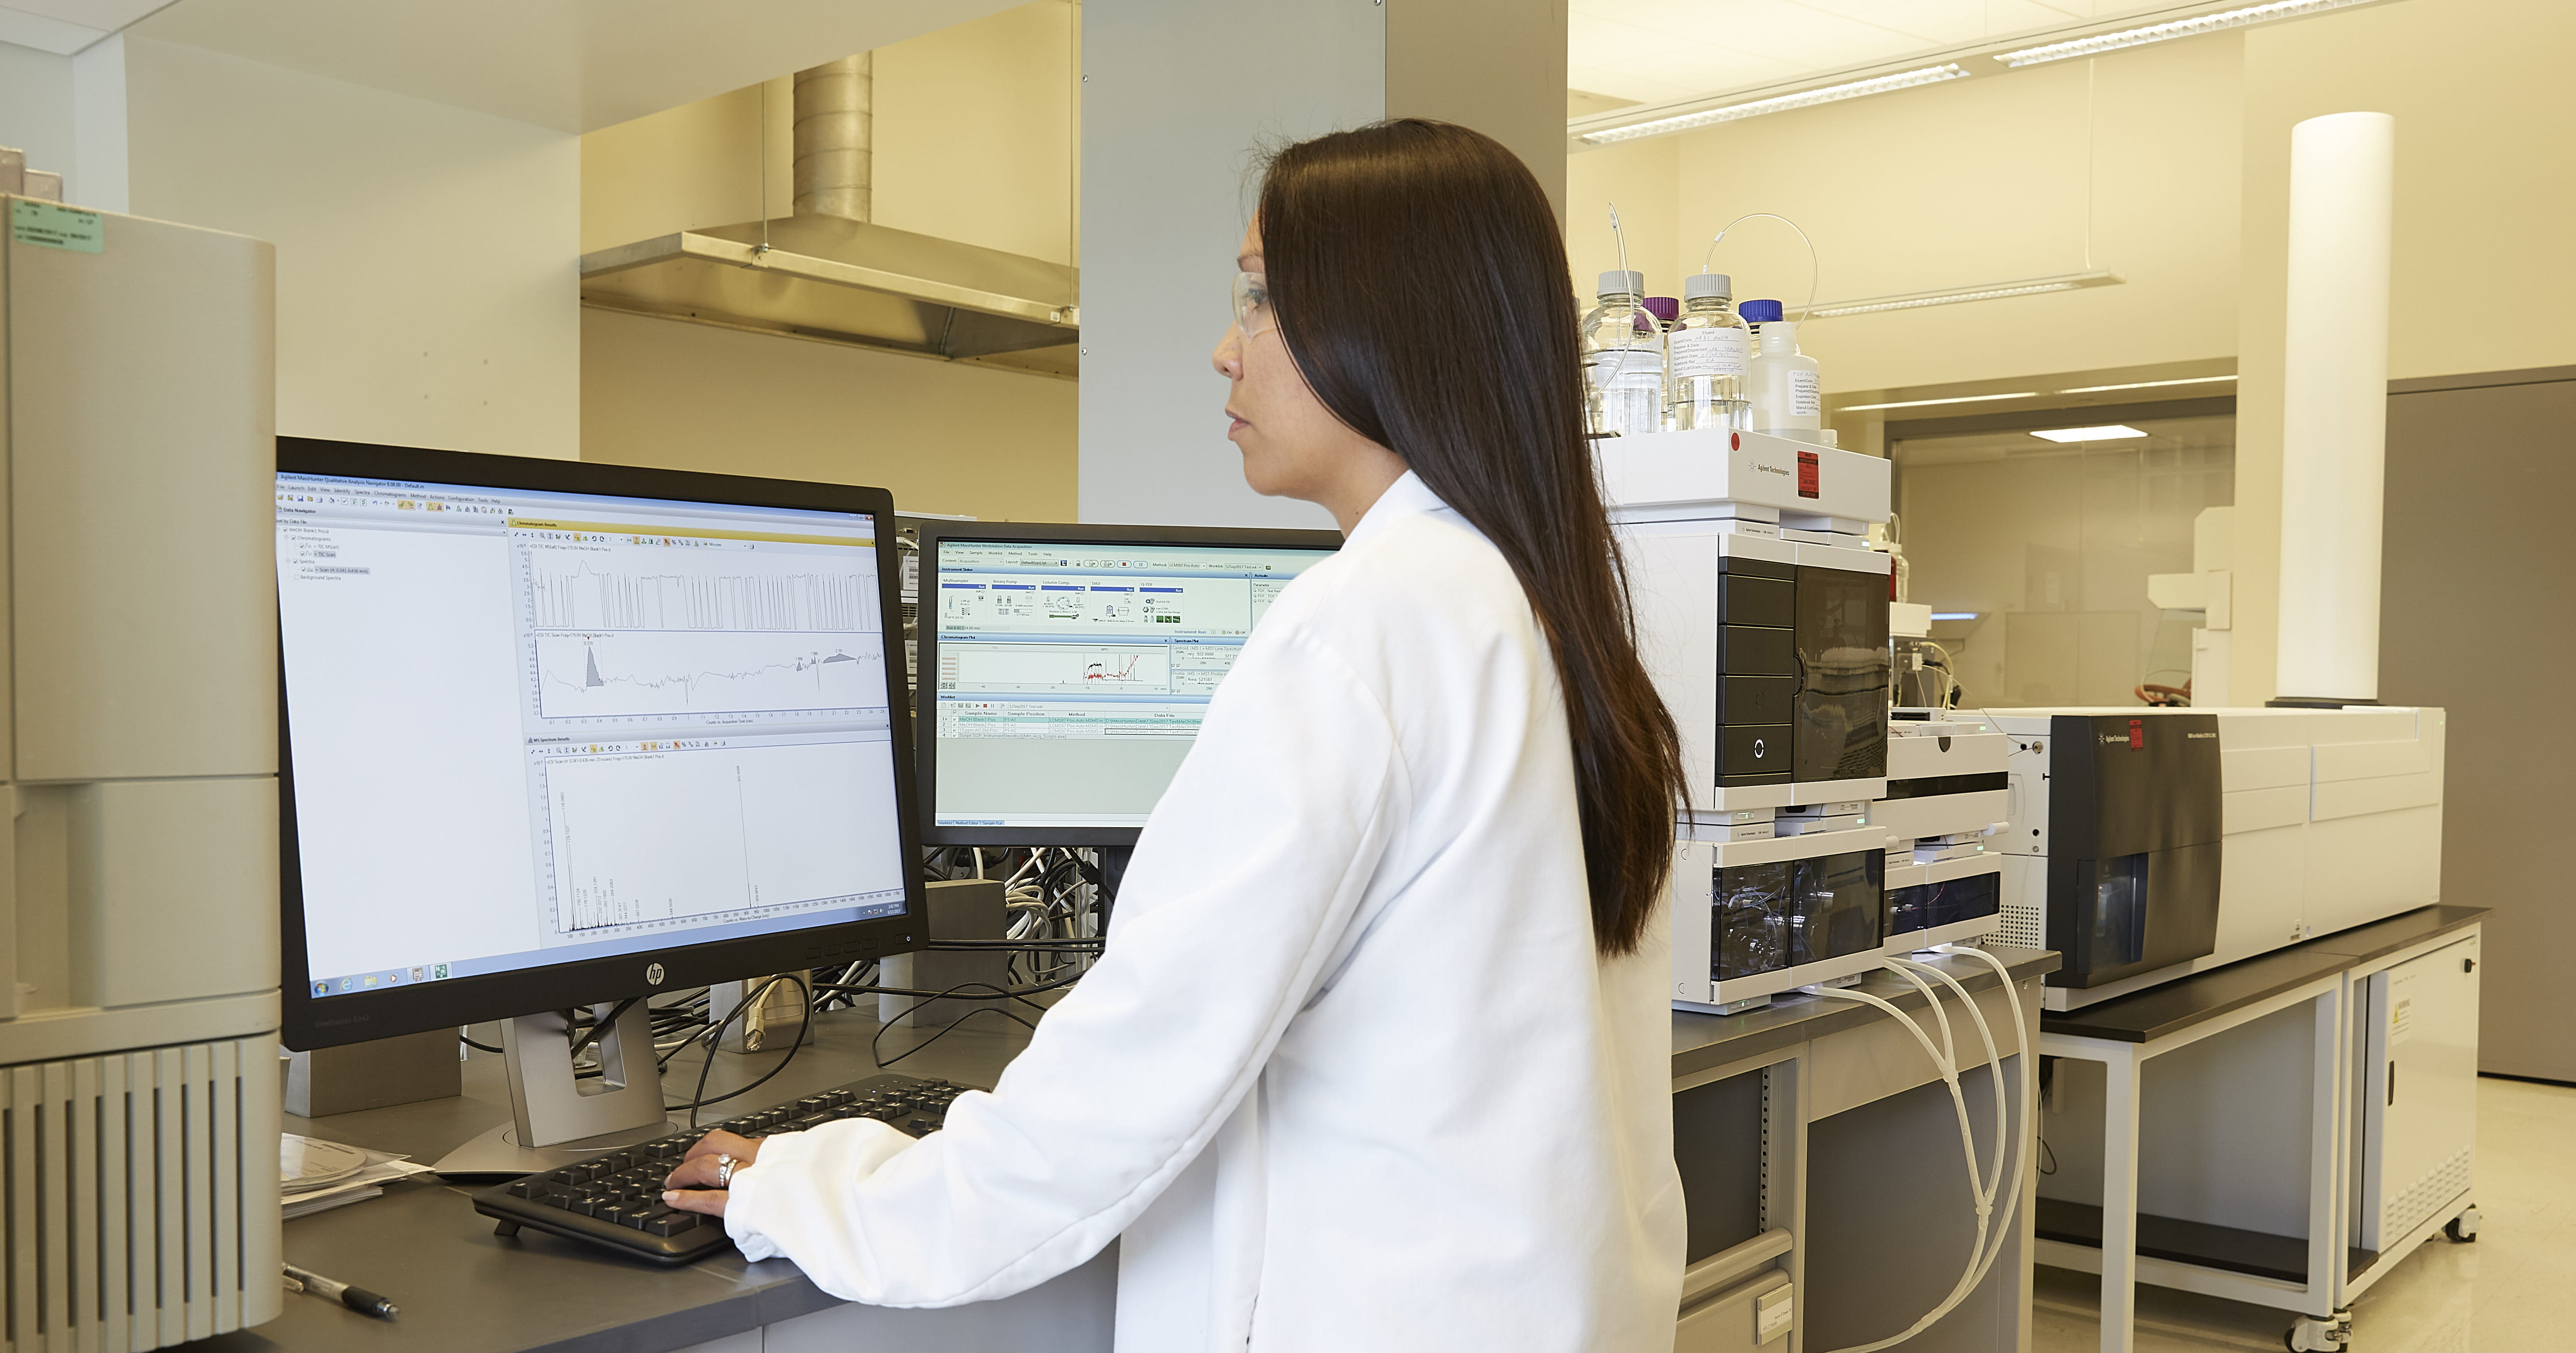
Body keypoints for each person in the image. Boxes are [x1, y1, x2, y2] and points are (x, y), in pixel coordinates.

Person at [661, 119, 1690, 1351]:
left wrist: (807, 1190)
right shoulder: (1548, 616)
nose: (1223, 348)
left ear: (1388, 327)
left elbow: (1123, 1090)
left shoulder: (1362, 628)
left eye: (1259, 299)